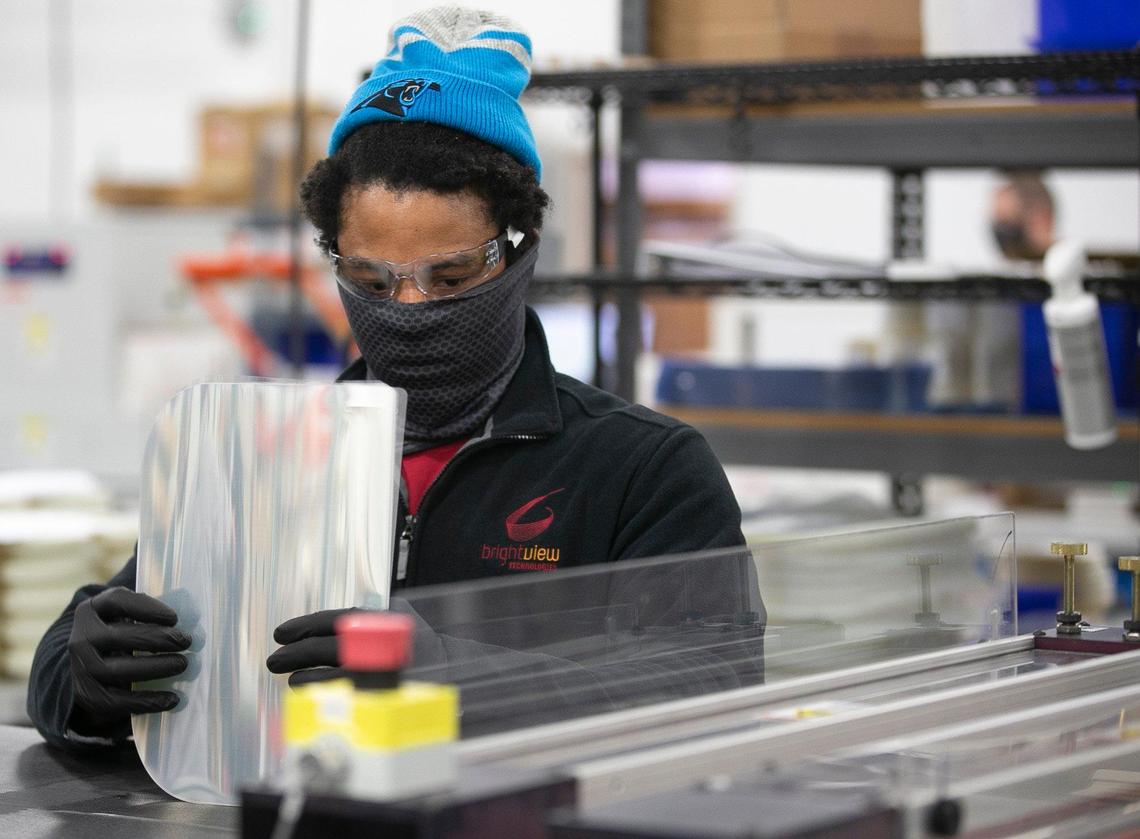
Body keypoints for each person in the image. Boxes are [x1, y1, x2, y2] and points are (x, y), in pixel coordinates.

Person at [27, 6, 749, 752]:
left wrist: (459, 680)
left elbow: (710, 683)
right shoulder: (263, 458)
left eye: (450, 275)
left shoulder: (641, 471)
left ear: (521, 251)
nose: (409, 308)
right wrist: (84, 681)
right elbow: (72, 656)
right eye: (370, 279)